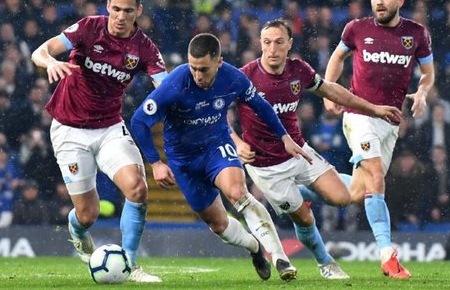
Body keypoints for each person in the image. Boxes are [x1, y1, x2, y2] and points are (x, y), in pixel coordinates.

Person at [131, 33, 313, 282]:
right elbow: (139, 120)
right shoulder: (175, 84)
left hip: (216, 147)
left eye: (203, 69)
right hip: (183, 161)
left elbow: (261, 106)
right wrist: (155, 162)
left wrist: (284, 137)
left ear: (219, 62)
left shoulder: (233, 78)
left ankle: (280, 257)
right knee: (218, 224)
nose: (197, 75)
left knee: (239, 194)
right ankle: (255, 248)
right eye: (193, 68)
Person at [232, 19, 403, 279]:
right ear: (260, 44)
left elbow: (332, 92)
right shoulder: (245, 77)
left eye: (279, 42)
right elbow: (218, 110)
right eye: (267, 42)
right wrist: (237, 142)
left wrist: (374, 108)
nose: (272, 48)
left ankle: (302, 190)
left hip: (300, 152)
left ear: (290, 44)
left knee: (344, 198)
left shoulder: (298, 69)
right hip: (265, 166)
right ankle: (326, 263)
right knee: (304, 217)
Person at [31, 0, 167, 283]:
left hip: (109, 128)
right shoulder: (88, 28)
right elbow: (40, 51)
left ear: (138, 11)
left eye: (128, 11)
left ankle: (131, 265)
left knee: (137, 188)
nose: (120, 16)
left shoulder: (144, 48)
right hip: (69, 130)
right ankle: (77, 232)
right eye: (116, 9)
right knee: (88, 214)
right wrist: (50, 62)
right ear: (108, 6)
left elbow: (164, 85)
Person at [323, 0, 435, 279]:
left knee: (359, 192)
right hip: (359, 114)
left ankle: (309, 185)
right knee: (375, 176)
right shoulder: (356, 28)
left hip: (390, 122)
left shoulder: (416, 33)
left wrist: (422, 93)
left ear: (399, 0)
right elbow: (337, 57)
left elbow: (428, 73)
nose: (379, 2)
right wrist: (329, 89)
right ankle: (388, 256)